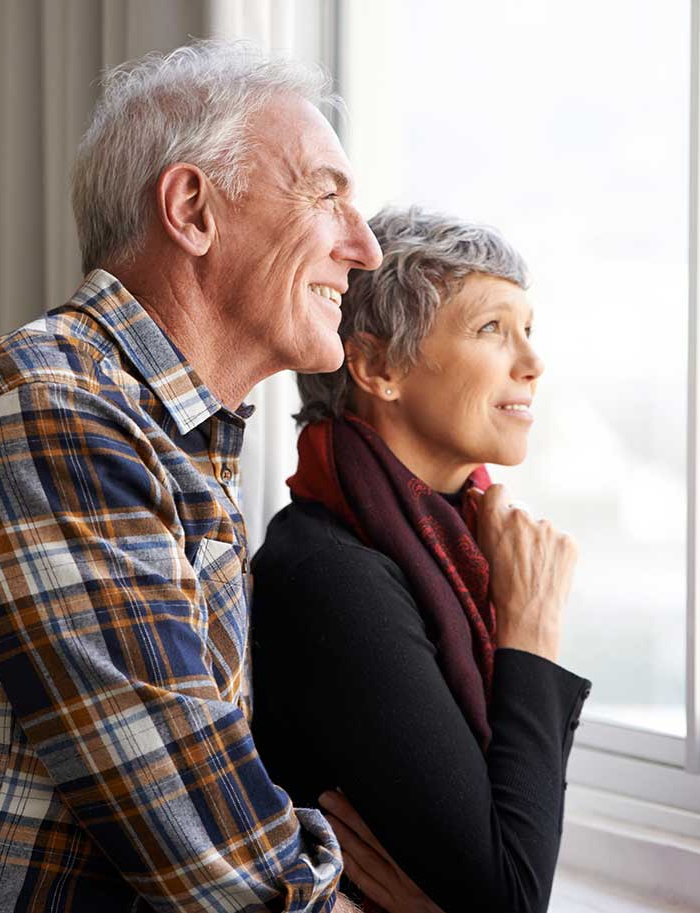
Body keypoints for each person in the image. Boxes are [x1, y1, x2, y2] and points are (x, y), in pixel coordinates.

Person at [0, 41, 382, 913]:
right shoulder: (57, 417)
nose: (362, 247)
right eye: (326, 195)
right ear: (192, 210)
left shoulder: (161, 436)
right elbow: (221, 862)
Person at [250, 207, 592, 913]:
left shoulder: (451, 549)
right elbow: (509, 898)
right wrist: (531, 625)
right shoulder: (330, 571)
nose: (532, 362)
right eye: (492, 329)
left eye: (528, 331)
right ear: (378, 366)